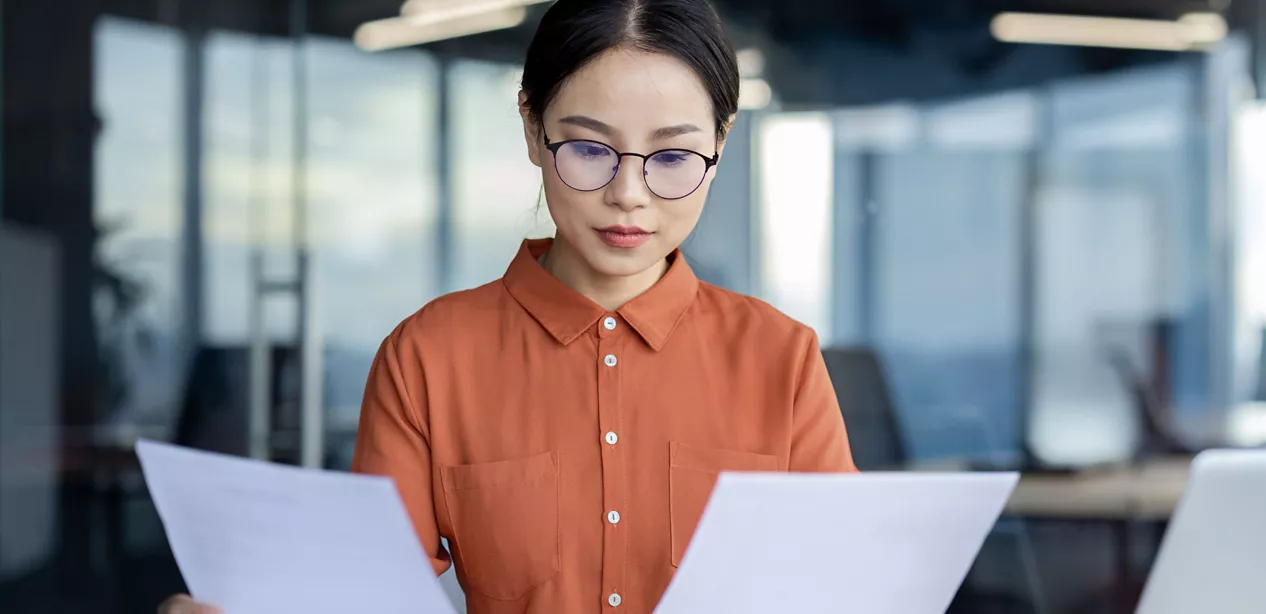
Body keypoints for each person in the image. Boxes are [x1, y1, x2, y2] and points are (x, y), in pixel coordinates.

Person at [160, 0, 856, 612]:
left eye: (672, 159)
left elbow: (846, 585)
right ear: (532, 127)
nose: (630, 195)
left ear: (720, 143)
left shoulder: (782, 359)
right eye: (589, 149)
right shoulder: (430, 356)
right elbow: (362, 592)